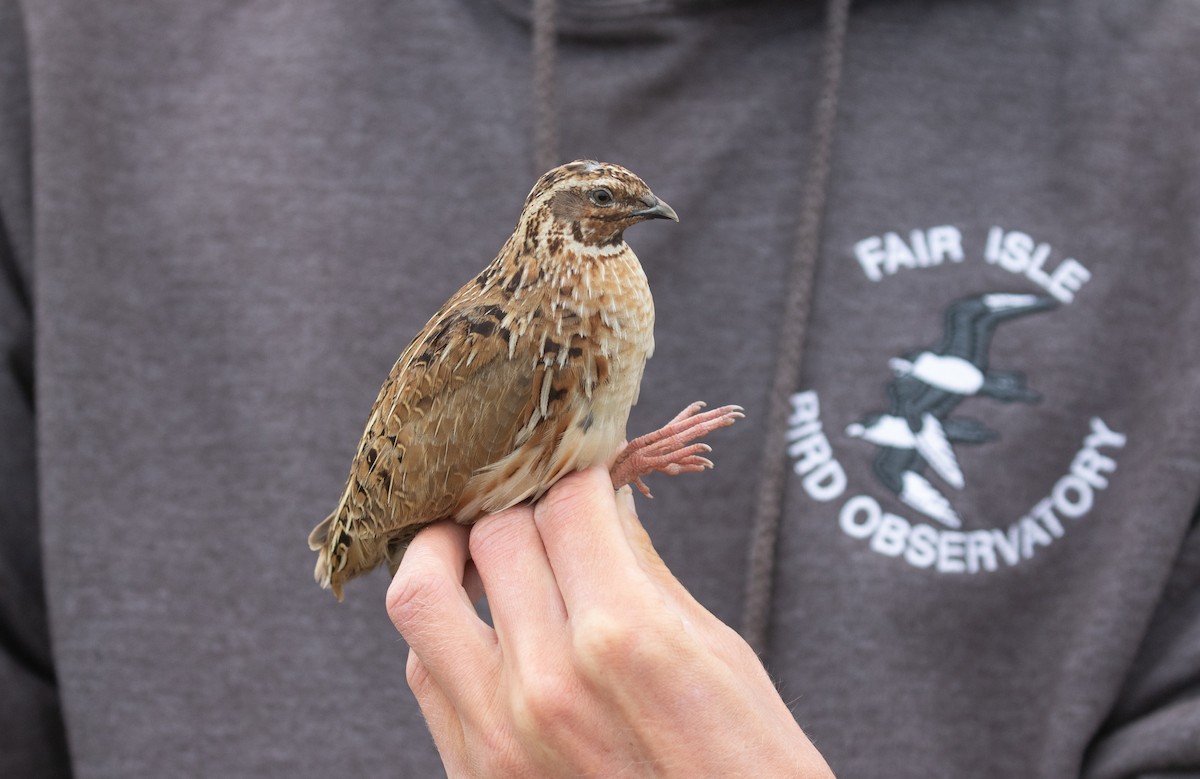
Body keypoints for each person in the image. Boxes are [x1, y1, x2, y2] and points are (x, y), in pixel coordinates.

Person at [2, 0, 1197, 776]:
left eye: (631, 210)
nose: (631, 222)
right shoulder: (63, 51)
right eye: (609, 212)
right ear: (570, 221)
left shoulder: (1163, 86)